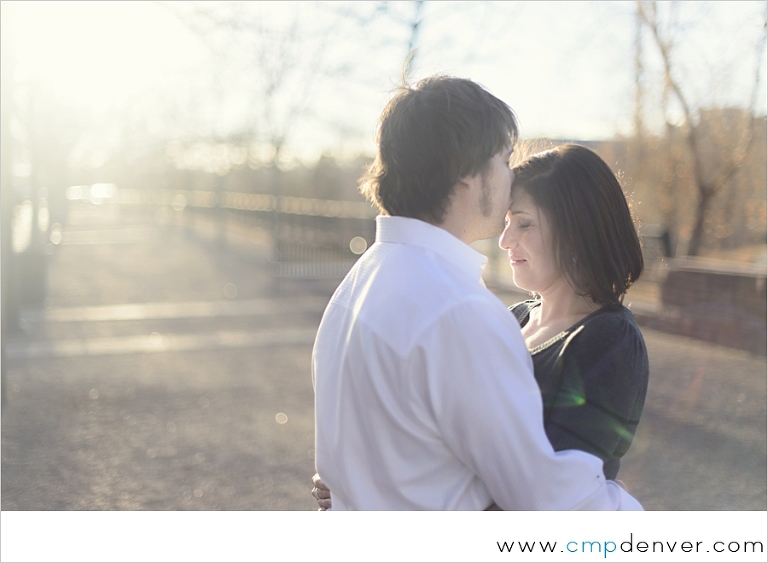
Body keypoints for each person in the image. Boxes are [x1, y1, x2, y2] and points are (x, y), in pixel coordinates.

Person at [312, 75, 642, 510]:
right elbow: (543, 499)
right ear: (466, 174)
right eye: (503, 160)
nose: (509, 177)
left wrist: (348, 490)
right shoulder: (459, 310)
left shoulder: (358, 284)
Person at [500, 143, 648, 481]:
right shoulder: (513, 317)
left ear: (577, 232)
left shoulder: (611, 341)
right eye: (507, 222)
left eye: (524, 224)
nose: (504, 240)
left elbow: (555, 485)